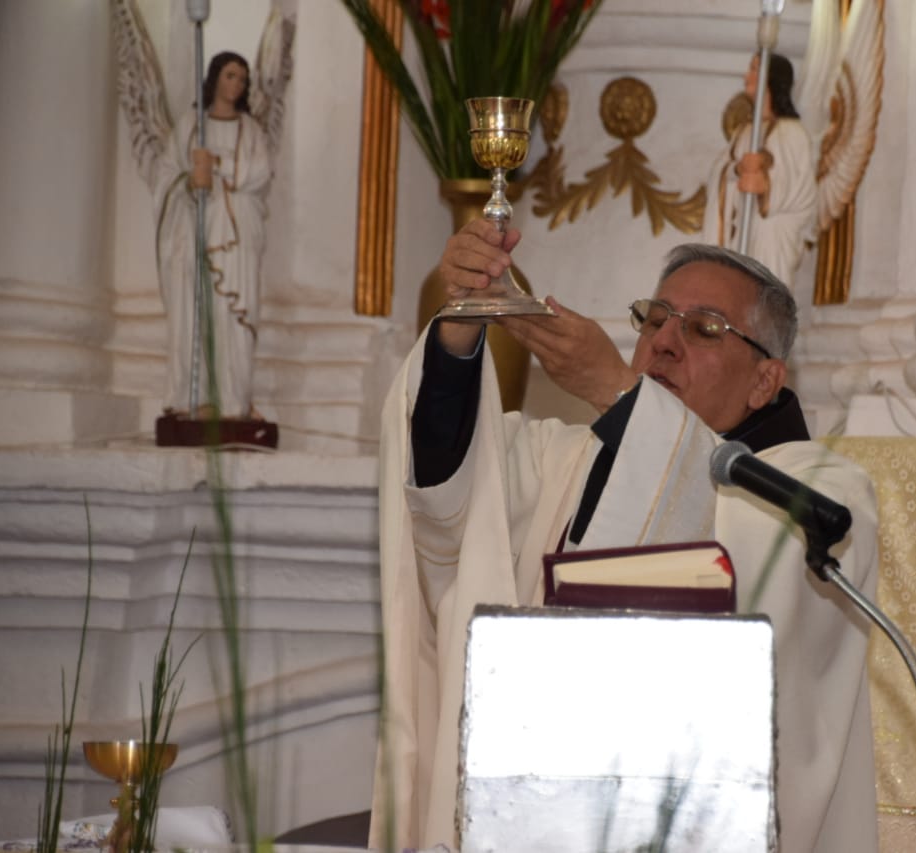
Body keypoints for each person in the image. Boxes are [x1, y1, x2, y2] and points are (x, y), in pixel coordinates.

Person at [370, 220, 879, 852]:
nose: (664, 342)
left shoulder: (823, 495)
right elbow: (454, 503)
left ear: (765, 381)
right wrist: (461, 326)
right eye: (655, 319)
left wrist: (615, 390)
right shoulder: (565, 457)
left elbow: (741, 559)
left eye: (704, 328)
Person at [153, 51, 273, 419]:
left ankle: (234, 401)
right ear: (215, 78)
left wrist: (217, 165)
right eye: (230, 75)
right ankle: (193, 399)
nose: (236, 84)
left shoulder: (251, 131)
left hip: (238, 238)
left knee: (233, 316)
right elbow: (166, 173)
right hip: (197, 231)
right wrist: (190, 182)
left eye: (242, 79)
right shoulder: (191, 125)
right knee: (194, 313)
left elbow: (260, 173)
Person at [704, 53, 817, 287]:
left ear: (771, 78)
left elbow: (803, 192)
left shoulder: (793, 133)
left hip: (772, 235)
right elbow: (719, 172)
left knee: (766, 293)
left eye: (754, 69)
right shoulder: (743, 132)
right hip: (741, 234)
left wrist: (766, 187)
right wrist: (738, 170)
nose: (746, 76)